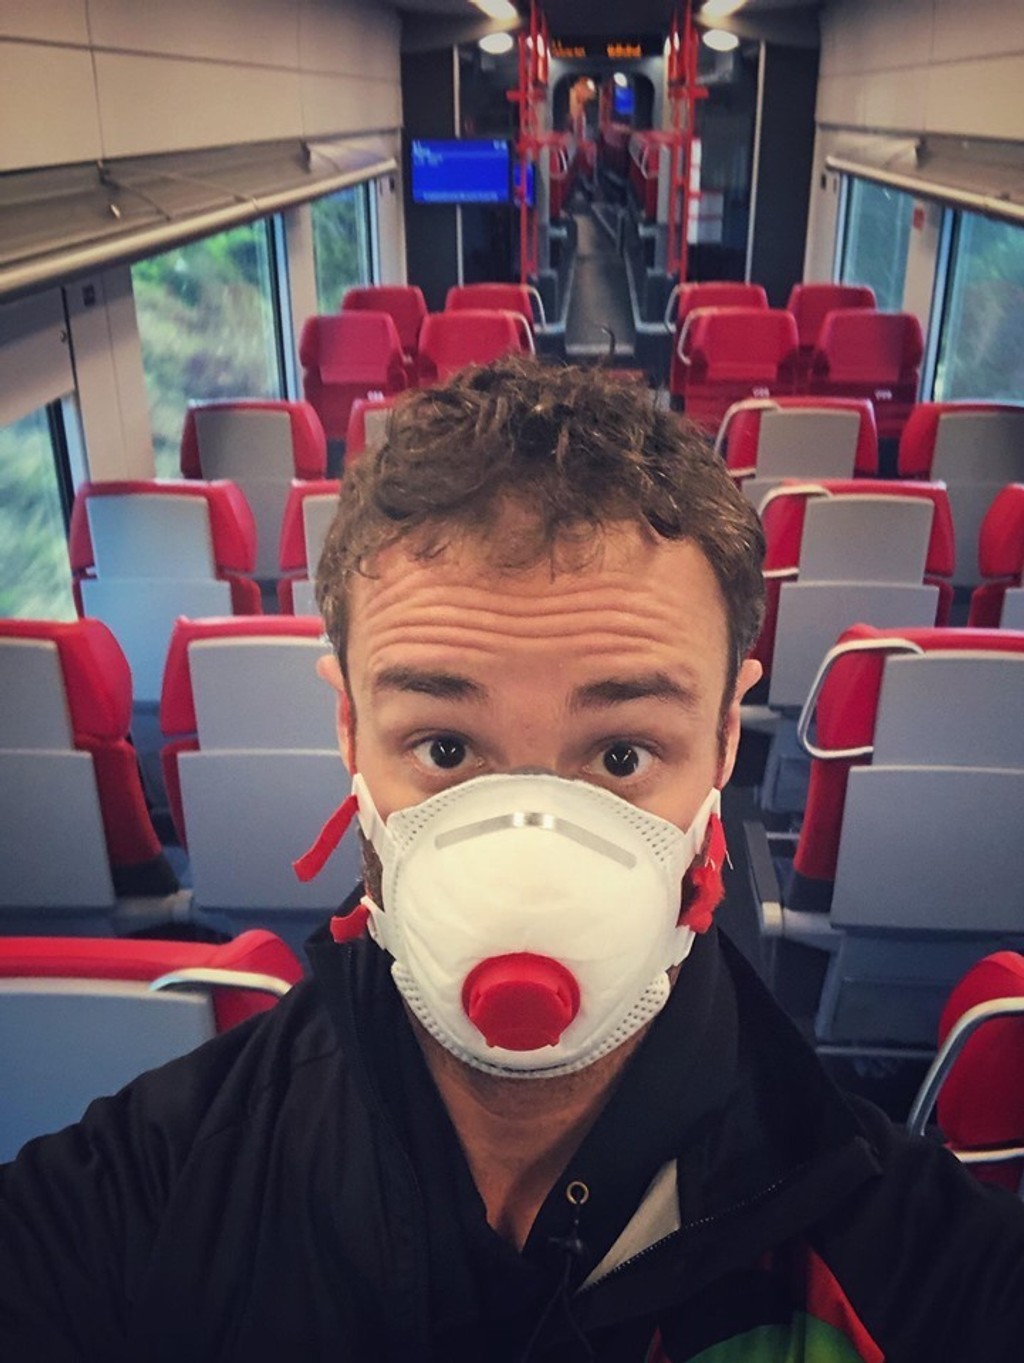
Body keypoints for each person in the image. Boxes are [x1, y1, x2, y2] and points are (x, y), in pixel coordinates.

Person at [2, 356, 1023, 1362]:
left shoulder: (916, 1265)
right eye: (446, 749)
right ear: (350, 731)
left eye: (621, 756)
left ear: (723, 741)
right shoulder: (143, 1194)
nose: (530, 864)